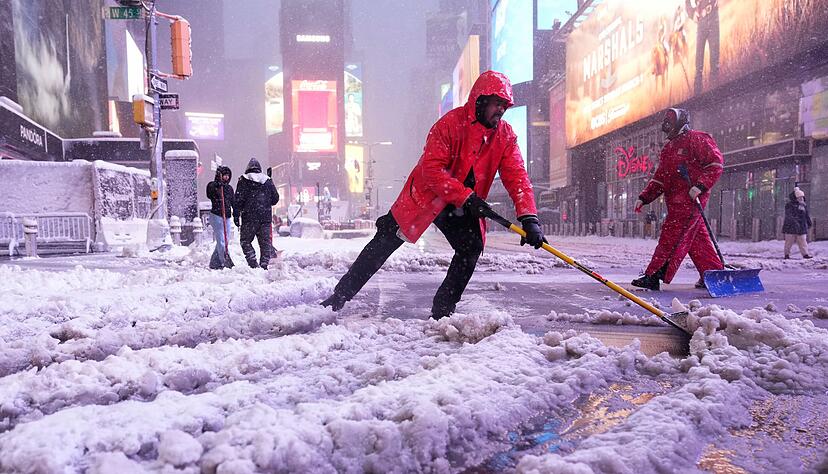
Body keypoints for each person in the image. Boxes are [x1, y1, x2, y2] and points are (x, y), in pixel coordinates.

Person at [320, 70, 544, 319]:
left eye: (504, 105)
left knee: (471, 248)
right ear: (481, 100)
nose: (501, 110)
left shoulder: (505, 136)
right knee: (384, 242)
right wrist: (466, 197)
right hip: (426, 196)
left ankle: (443, 310)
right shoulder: (449, 124)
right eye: (496, 103)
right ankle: (339, 296)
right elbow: (432, 170)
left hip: (461, 205)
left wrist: (529, 218)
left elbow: (517, 178)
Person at [632, 108, 724, 290]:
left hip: (690, 200)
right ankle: (713, 274)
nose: (667, 129)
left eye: (670, 124)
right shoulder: (669, 148)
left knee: (672, 235)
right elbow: (661, 177)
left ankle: (654, 275)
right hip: (675, 201)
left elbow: (715, 164)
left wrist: (700, 186)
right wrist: (645, 197)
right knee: (696, 239)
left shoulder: (698, 139)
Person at [234, 158, 280, 269]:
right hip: (265, 218)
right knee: (265, 244)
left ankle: (253, 263)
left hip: (249, 218)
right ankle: (264, 265)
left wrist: (236, 215)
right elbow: (275, 199)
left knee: (245, 241)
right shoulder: (267, 180)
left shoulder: (243, 181)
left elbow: (238, 200)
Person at [687, 0, 719, 95]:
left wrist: (711, 4)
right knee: (698, 65)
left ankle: (714, 94)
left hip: (713, 17)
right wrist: (692, 14)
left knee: (714, 62)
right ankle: (697, 98)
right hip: (701, 22)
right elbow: (687, 2)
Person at [206, 166, 235, 270]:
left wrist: (236, 215)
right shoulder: (212, 186)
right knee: (221, 240)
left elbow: (233, 202)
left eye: (228, 175)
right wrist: (217, 185)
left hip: (226, 217)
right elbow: (209, 194)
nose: (226, 177)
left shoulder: (229, 188)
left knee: (224, 241)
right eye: (224, 175)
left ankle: (214, 262)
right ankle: (225, 261)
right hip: (216, 216)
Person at [782, 187, 812, 259]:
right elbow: (789, 215)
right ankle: (787, 254)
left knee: (803, 241)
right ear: (795, 198)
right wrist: (795, 222)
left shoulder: (803, 205)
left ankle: (805, 254)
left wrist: (808, 222)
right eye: (799, 197)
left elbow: (806, 215)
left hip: (801, 226)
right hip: (791, 227)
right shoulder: (789, 205)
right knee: (789, 241)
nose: (801, 199)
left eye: (802, 197)